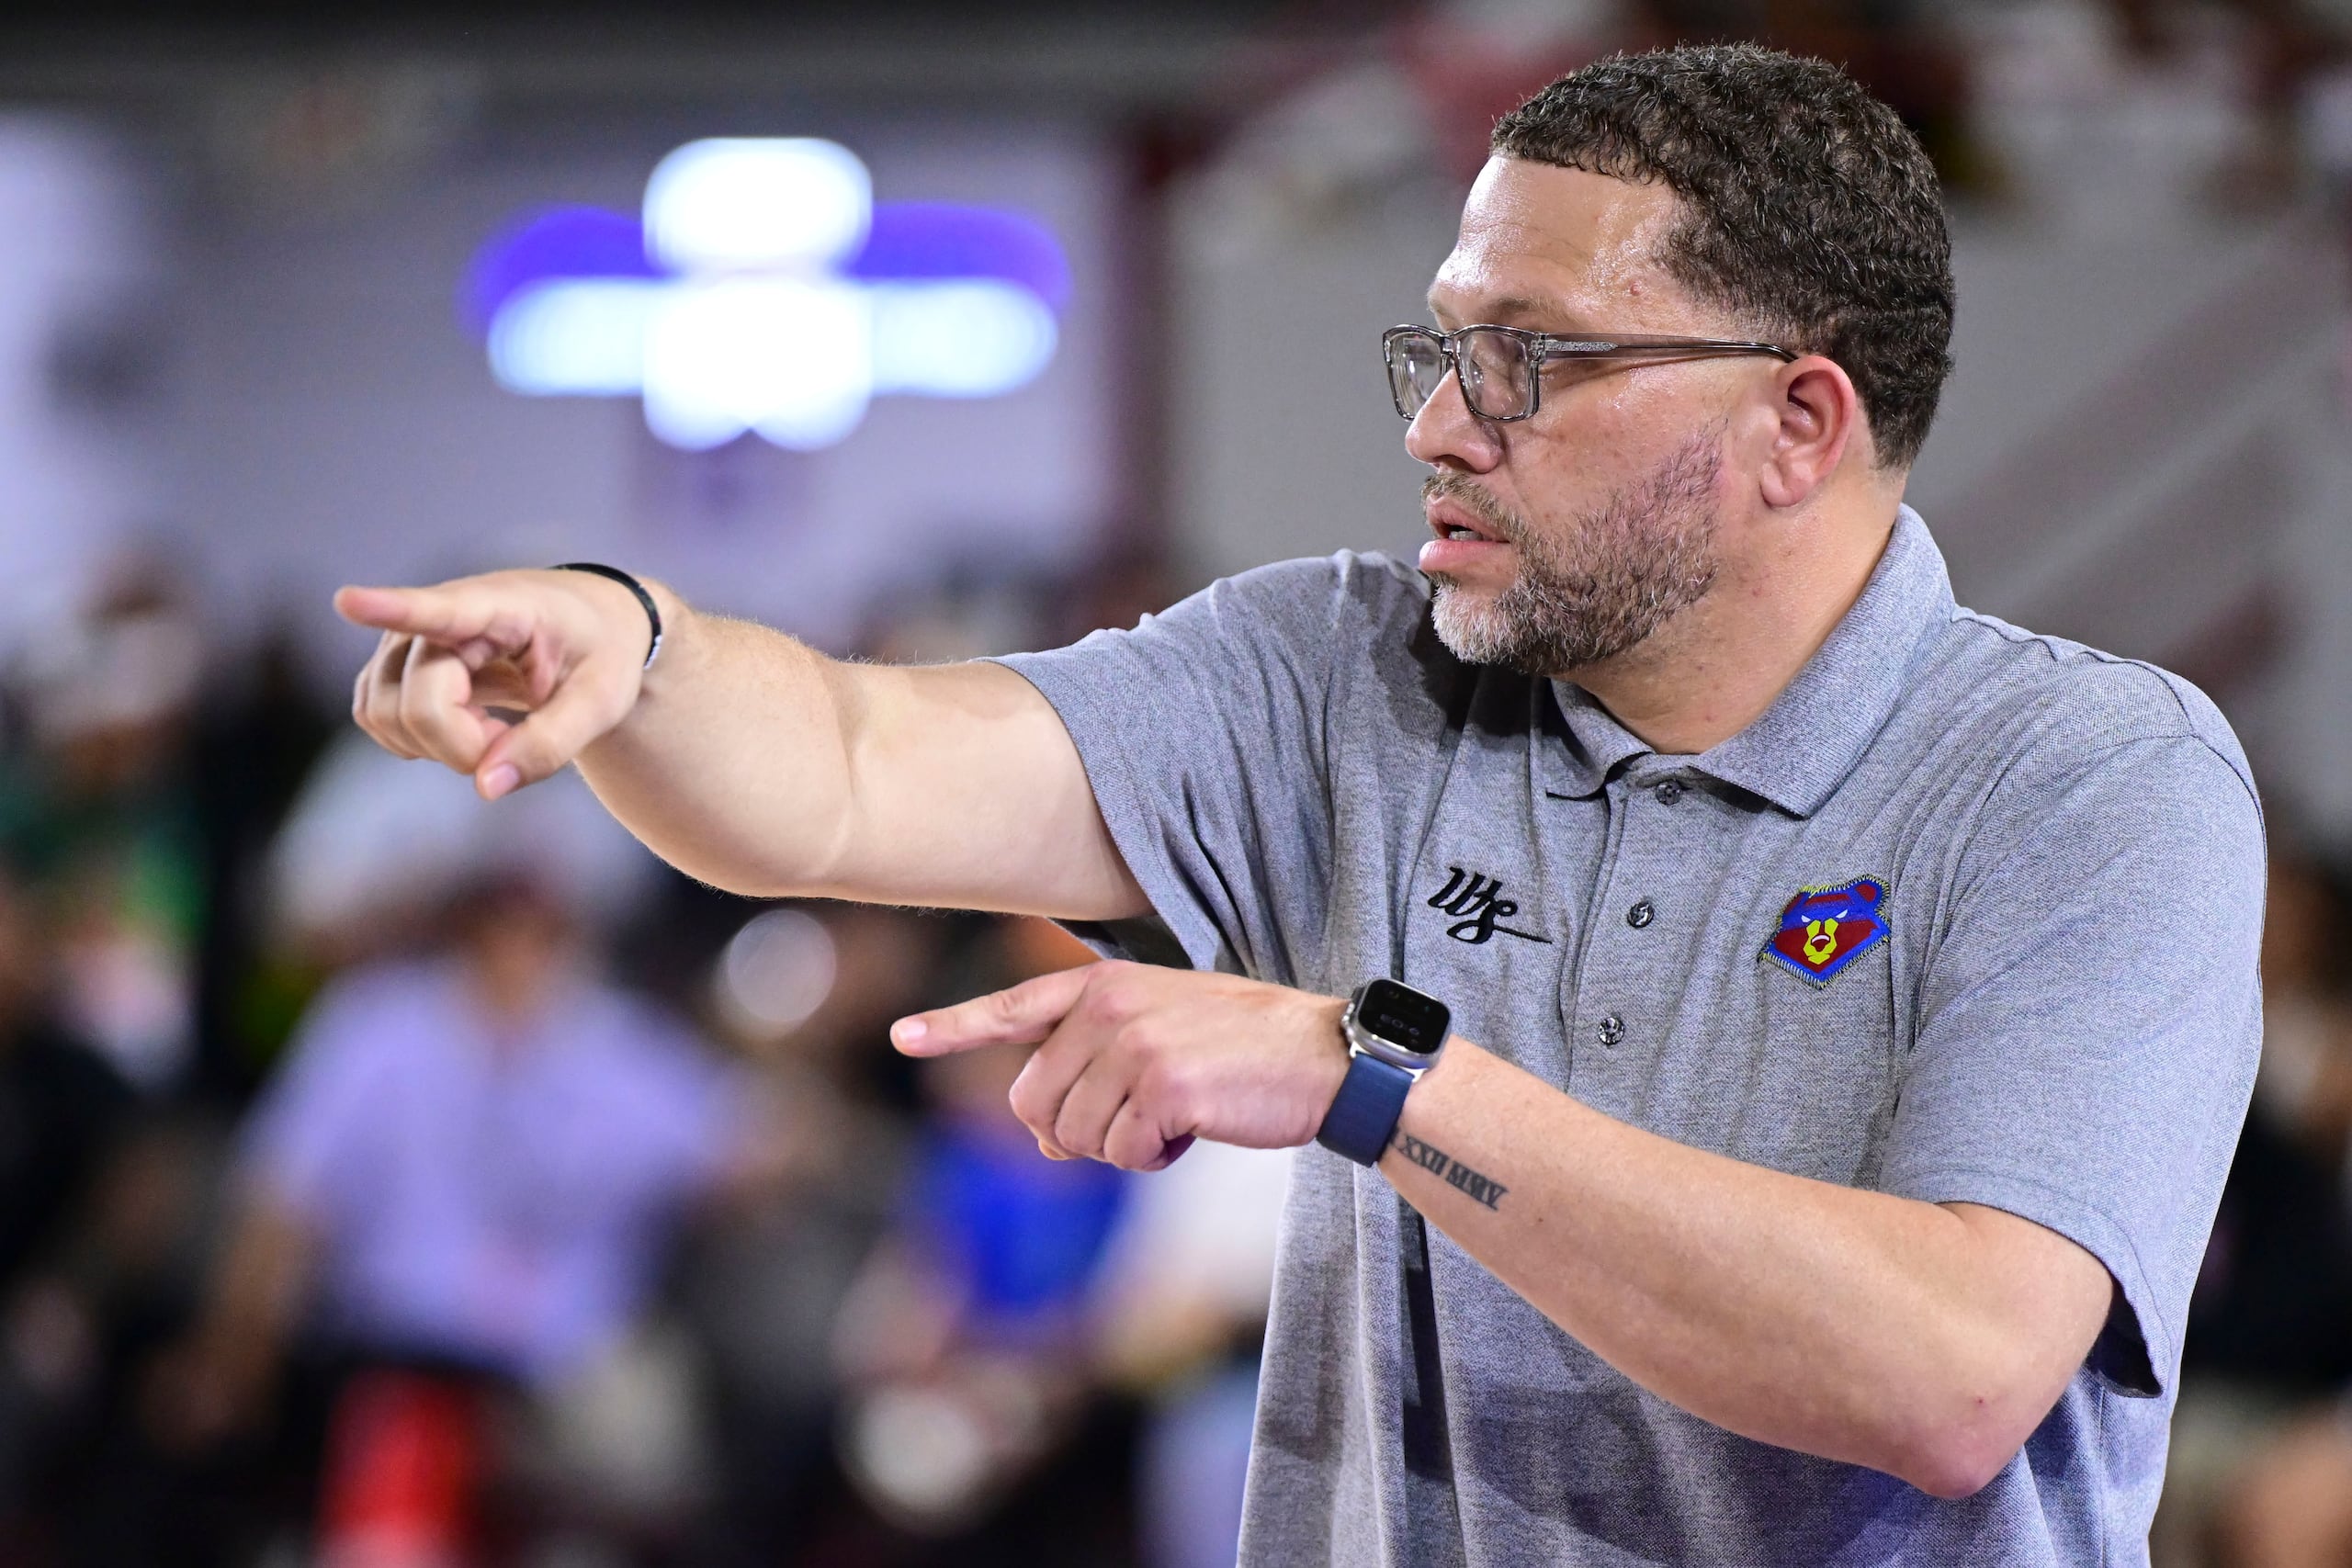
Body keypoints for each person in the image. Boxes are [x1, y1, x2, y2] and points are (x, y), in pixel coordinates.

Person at [332, 43, 2265, 1567]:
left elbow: (1943, 1374)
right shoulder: (1345, 674)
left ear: (1796, 424)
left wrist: (1367, 1077)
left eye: (1533, 358)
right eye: (1439, 341)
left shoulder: (2086, 779)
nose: (1437, 418)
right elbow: (832, 770)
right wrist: (630, 635)